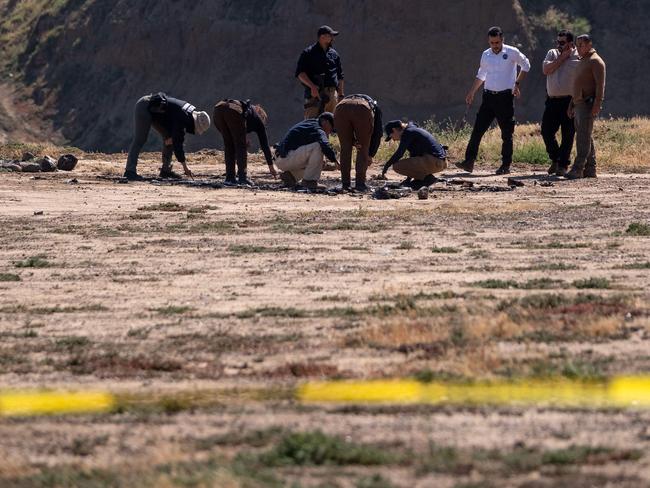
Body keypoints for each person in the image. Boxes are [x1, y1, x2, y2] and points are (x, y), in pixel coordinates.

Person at [456, 26, 531, 175]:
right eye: (492, 43)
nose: (495, 45)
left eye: (497, 42)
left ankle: (505, 165)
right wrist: (472, 92)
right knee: (477, 131)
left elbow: (526, 65)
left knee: (506, 134)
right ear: (488, 41)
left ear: (502, 40)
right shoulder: (486, 54)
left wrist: (516, 84)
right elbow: (482, 74)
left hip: (505, 98)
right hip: (488, 98)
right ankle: (469, 162)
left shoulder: (512, 52)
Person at [123, 92, 211, 181]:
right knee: (140, 139)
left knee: (170, 138)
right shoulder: (183, 117)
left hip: (156, 111)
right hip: (145, 106)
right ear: (195, 123)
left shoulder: (187, 112)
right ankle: (129, 171)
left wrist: (173, 138)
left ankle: (165, 171)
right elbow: (178, 145)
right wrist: (185, 168)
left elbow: (177, 136)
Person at [566, 34, 606, 179]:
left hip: (588, 104)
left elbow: (600, 87)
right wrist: (571, 104)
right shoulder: (582, 60)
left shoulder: (596, 61)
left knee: (583, 137)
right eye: (577, 45)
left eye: (581, 45)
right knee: (585, 135)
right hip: (578, 103)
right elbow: (577, 84)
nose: (578, 48)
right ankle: (590, 169)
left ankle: (578, 168)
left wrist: (597, 104)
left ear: (589, 44)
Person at [542, 30, 580, 176]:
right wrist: (562, 57)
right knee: (546, 131)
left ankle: (563, 165)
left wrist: (576, 101)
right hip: (552, 100)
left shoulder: (578, 57)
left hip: (569, 101)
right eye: (557, 42)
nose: (559, 45)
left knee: (568, 134)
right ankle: (555, 159)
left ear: (571, 43)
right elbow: (546, 70)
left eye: (562, 43)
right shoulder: (552, 53)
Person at [213, 99, 277, 186]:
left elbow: (240, 126)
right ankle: (243, 178)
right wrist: (271, 167)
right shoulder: (258, 120)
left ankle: (230, 178)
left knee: (229, 145)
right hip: (233, 109)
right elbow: (265, 145)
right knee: (240, 146)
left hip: (217, 109)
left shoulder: (248, 112)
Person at [274, 112, 339, 191]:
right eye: (331, 129)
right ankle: (309, 181)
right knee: (318, 146)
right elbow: (325, 145)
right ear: (326, 122)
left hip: (281, 158)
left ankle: (291, 176)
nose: (330, 132)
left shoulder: (311, 123)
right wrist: (335, 160)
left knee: (320, 160)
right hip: (284, 158)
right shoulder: (318, 128)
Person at [333, 94, 383, 192]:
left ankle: (345, 184)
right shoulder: (375, 108)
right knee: (363, 147)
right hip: (362, 108)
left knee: (345, 148)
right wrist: (370, 154)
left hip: (340, 107)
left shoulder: (347, 100)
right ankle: (360, 184)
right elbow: (378, 133)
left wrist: (351, 141)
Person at [295, 25, 344, 119]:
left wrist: (340, 95)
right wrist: (312, 87)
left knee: (331, 125)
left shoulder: (334, 54)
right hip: (315, 95)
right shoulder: (308, 53)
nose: (333, 38)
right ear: (322, 37)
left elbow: (340, 76)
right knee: (311, 124)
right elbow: (300, 74)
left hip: (332, 95)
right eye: (330, 35)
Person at [380, 120, 447, 189]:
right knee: (409, 162)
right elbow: (414, 158)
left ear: (394, 130)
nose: (393, 140)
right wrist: (408, 180)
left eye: (391, 136)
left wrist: (387, 165)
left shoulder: (408, 132)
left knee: (397, 166)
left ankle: (428, 179)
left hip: (434, 161)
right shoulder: (412, 130)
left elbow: (399, 153)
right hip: (440, 162)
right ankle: (422, 180)